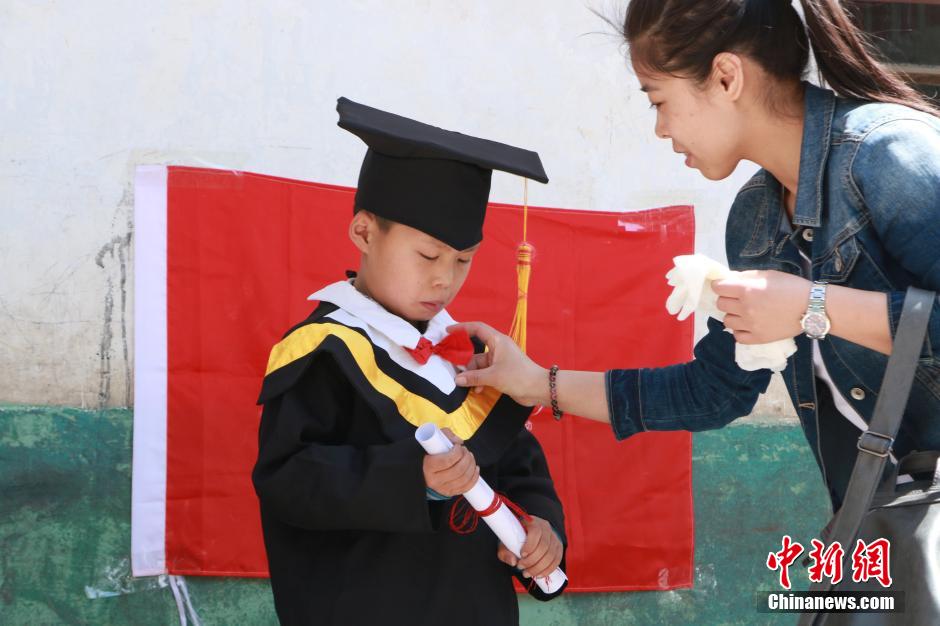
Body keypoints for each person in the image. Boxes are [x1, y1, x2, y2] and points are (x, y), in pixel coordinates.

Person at [452, 0, 940, 520]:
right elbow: (715, 391)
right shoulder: (754, 222)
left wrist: (811, 305)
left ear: (727, 77)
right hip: (884, 526)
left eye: (658, 100)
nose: (660, 129)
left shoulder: (889, 153)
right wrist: (535, 383)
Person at [252, 97, 567, 626]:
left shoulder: (467, 360)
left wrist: (542, 529)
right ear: (365, 233)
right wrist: (412, 478)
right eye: (427, 256)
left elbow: (521, 467)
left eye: (462, 260)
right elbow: (289, 481)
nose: (445, 279)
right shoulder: (322, 350)